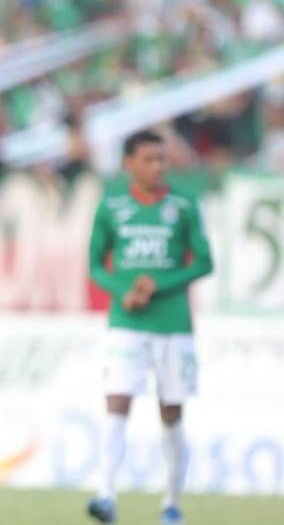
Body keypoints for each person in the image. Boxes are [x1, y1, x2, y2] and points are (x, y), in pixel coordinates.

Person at [86, 131, 213, 525]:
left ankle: (172, 503)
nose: (158, 166)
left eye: (162, 159)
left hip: (174, 323)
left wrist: (160, 284)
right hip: (127, 322)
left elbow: (204, 262)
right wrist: (124, 290)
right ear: (129, 164)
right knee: (117, 400)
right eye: (149, 159)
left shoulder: (184, 204)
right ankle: (105, 495)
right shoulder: (111, 207)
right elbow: (94, 265)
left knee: (171, 412)